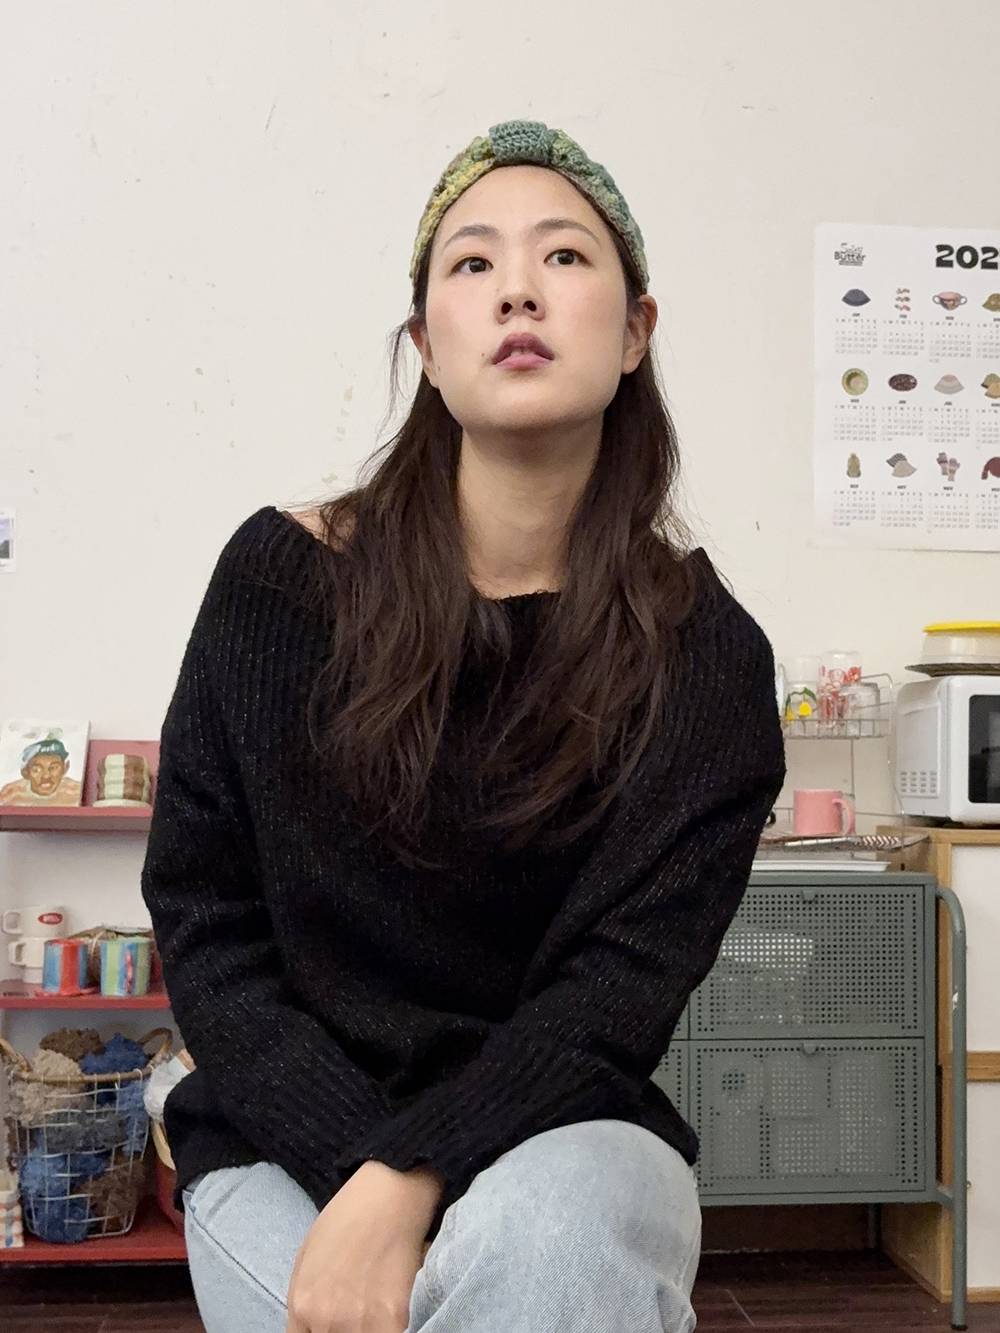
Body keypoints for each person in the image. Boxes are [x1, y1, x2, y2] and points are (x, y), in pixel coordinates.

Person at [140, 118, 787, 1333]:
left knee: (552, 1246)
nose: (518, 290)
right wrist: (368, 1177)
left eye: (565, 256)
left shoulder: (706, 656)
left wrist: (415, 1174)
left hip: (565, 1131)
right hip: (284, 1135)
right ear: (426, 346)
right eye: (473, 261)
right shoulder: (279, 584)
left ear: (635, 331)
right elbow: (209, 923)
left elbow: (614, 994)